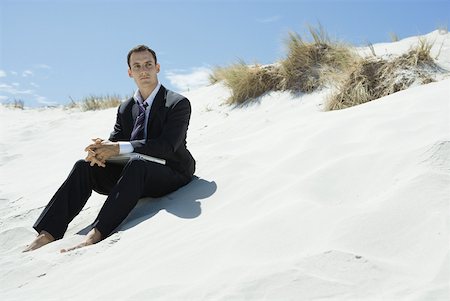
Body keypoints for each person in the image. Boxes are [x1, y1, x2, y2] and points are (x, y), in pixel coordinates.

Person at [23, 45, 196, 252]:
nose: (144, 71)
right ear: (129, 72)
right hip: (133, 178)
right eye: (137, 66)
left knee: (136, 165)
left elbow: (168, 146)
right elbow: (115, 143)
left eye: (148, 65)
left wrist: (117, 147)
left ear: (157, 68)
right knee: (83, 166)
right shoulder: (125, 108)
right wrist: (99, 152)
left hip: (171, 172)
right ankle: (47, 233)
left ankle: (96, 233)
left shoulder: (177, 103)